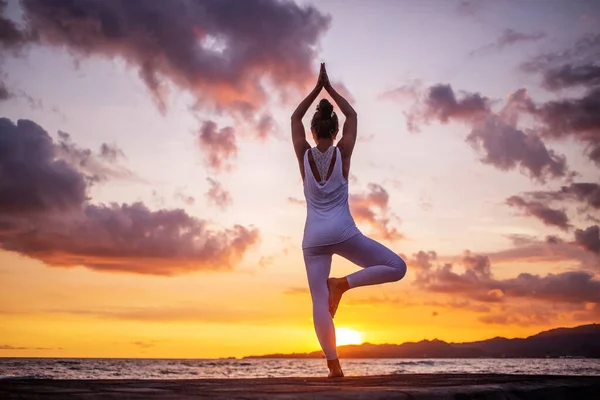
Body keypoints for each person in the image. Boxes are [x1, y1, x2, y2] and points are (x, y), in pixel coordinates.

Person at [291, 63, 408, 378]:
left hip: (313, 237)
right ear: (335, 131)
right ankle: (342, 284)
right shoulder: (343, 151)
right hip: (343, 231)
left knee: (318, 301)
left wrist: (316, 89)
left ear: (314, 132)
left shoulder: (303, 155)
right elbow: (353, 117)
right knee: (398, 268)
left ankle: (334, 367)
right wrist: (330, 89)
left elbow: (293, 119)